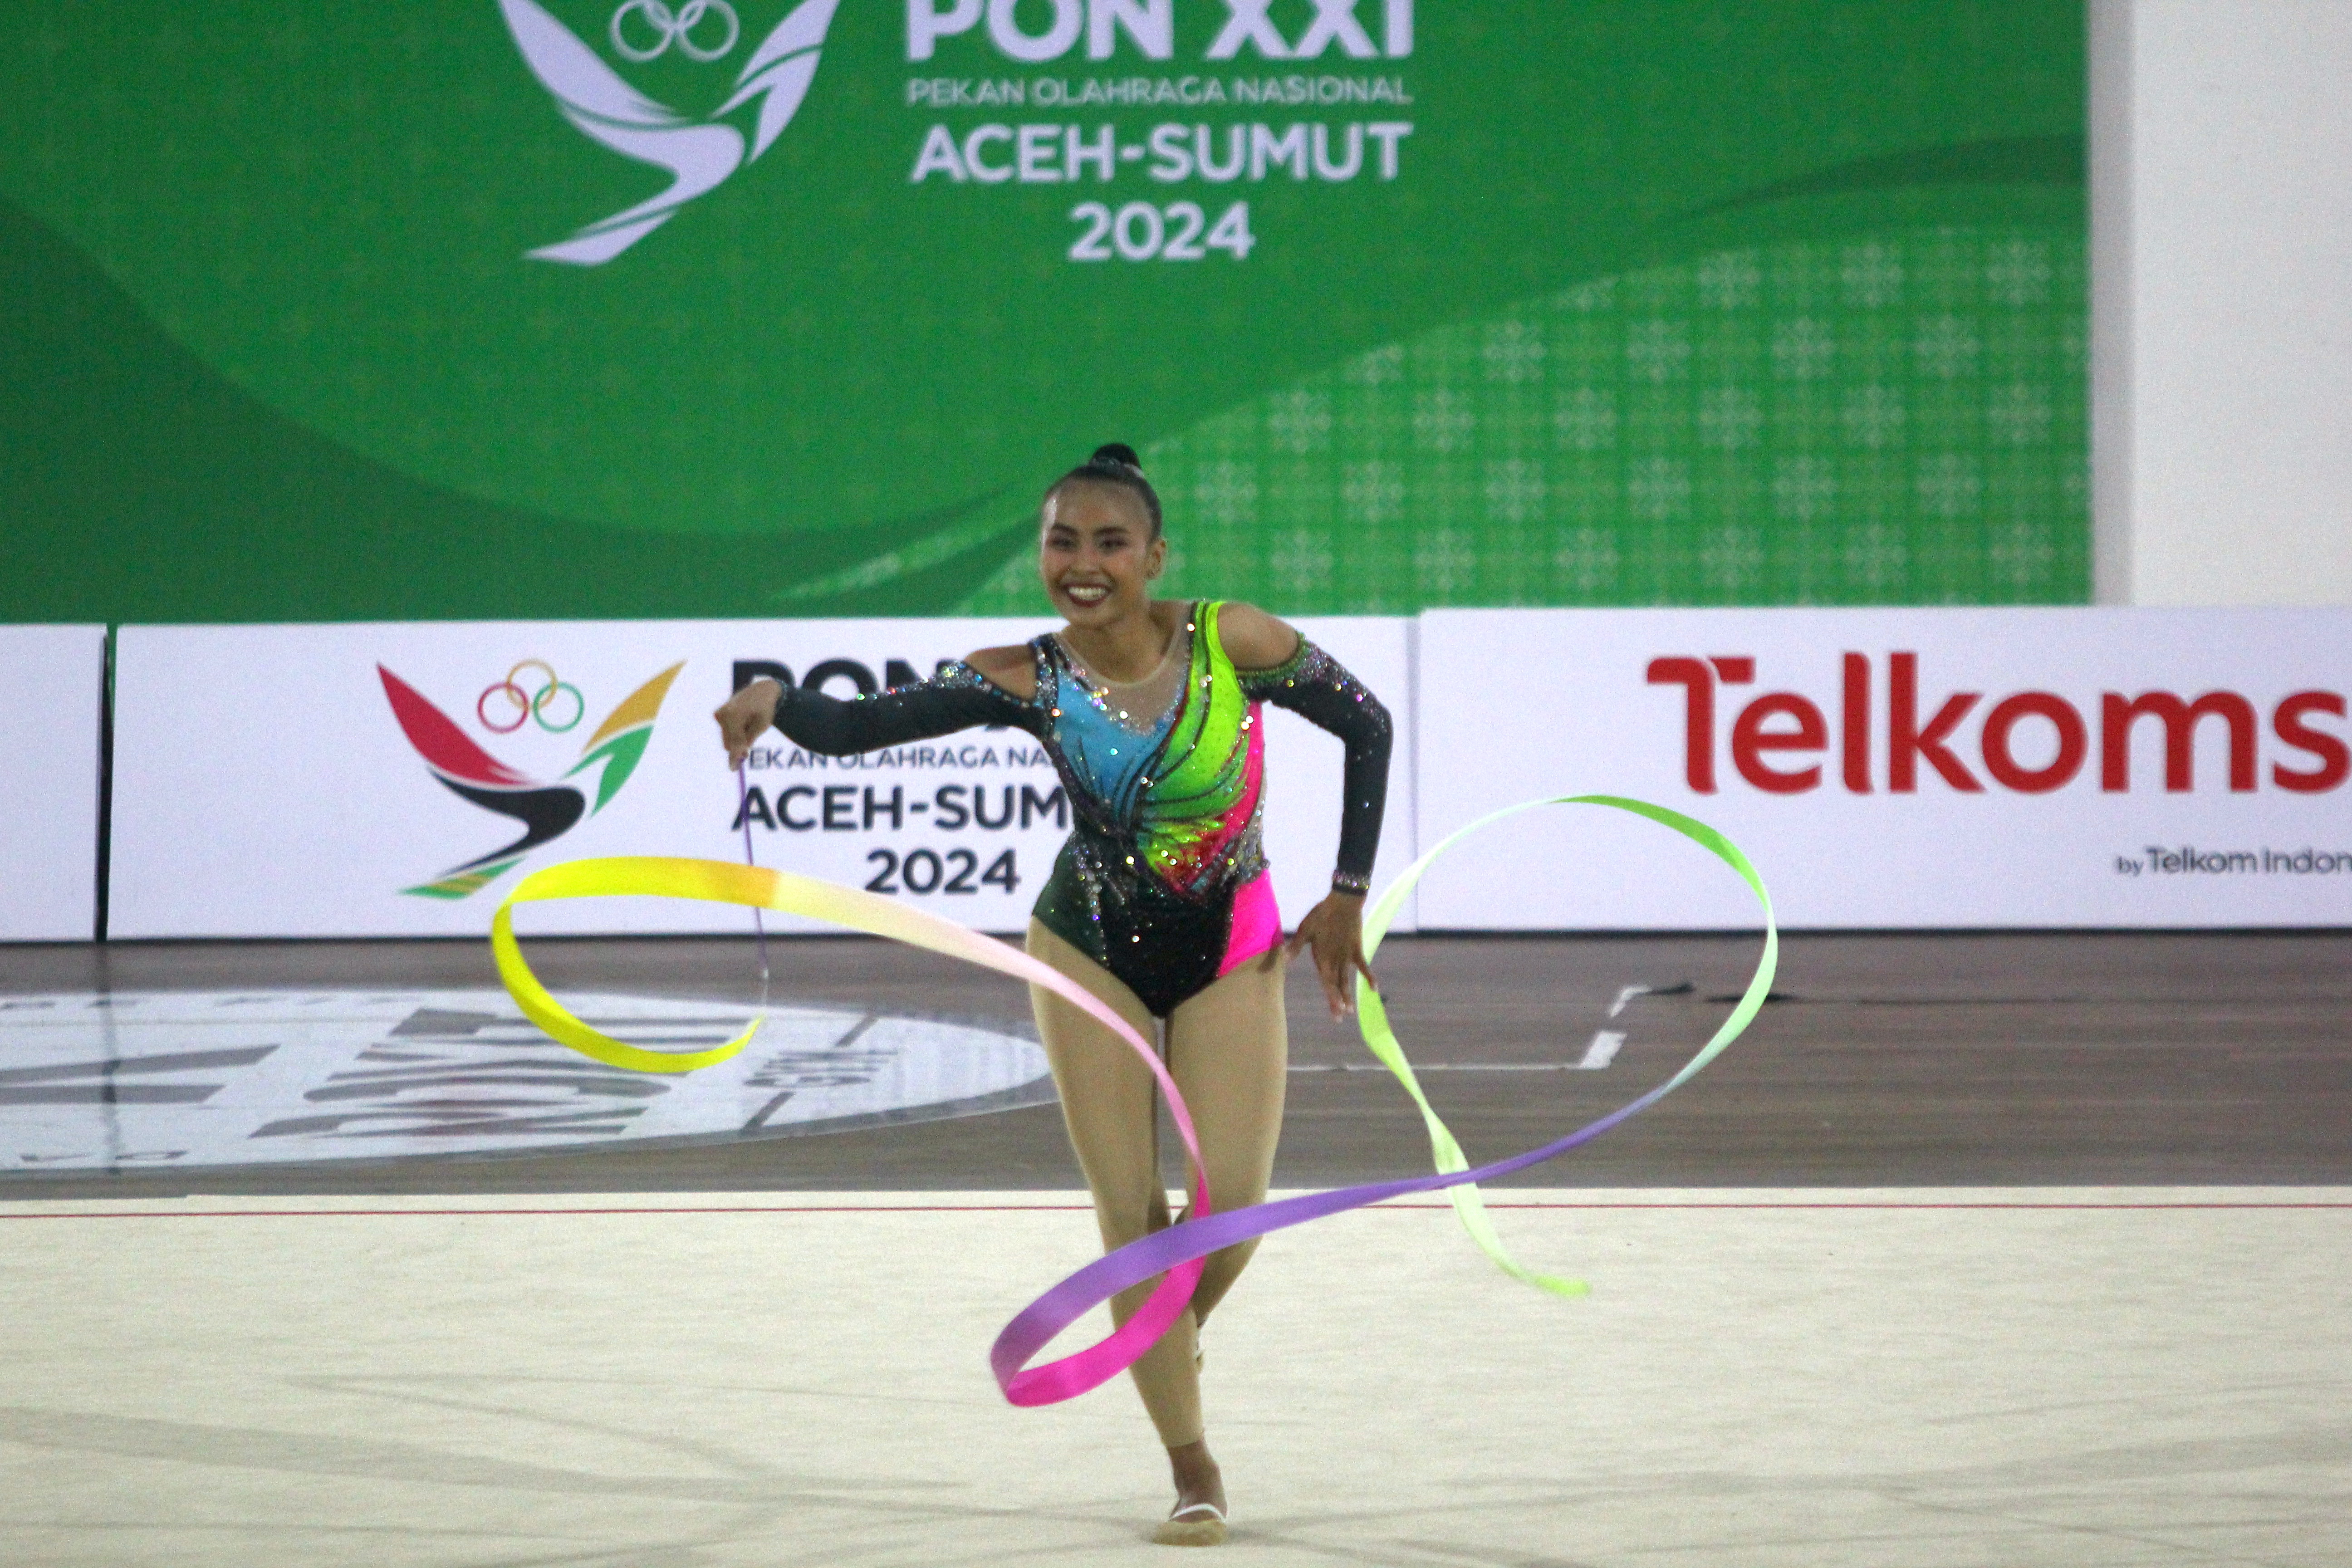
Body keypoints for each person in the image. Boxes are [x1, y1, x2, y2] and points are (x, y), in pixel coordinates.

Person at [714, 444, 1392, 1547]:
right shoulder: (1028, 678)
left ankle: (1162, 1337)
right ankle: (1193, 1467)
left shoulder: (1234, 642)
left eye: (1109, 543)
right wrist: (774, 699)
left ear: (1154, 557)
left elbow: (1368, 723)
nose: (1084, 563)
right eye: (1062, 542)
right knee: (1132, 1220)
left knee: (1233, 1208)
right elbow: (858, 727)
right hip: (1089, 948)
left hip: (1234, 943)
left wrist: (1348, 891)